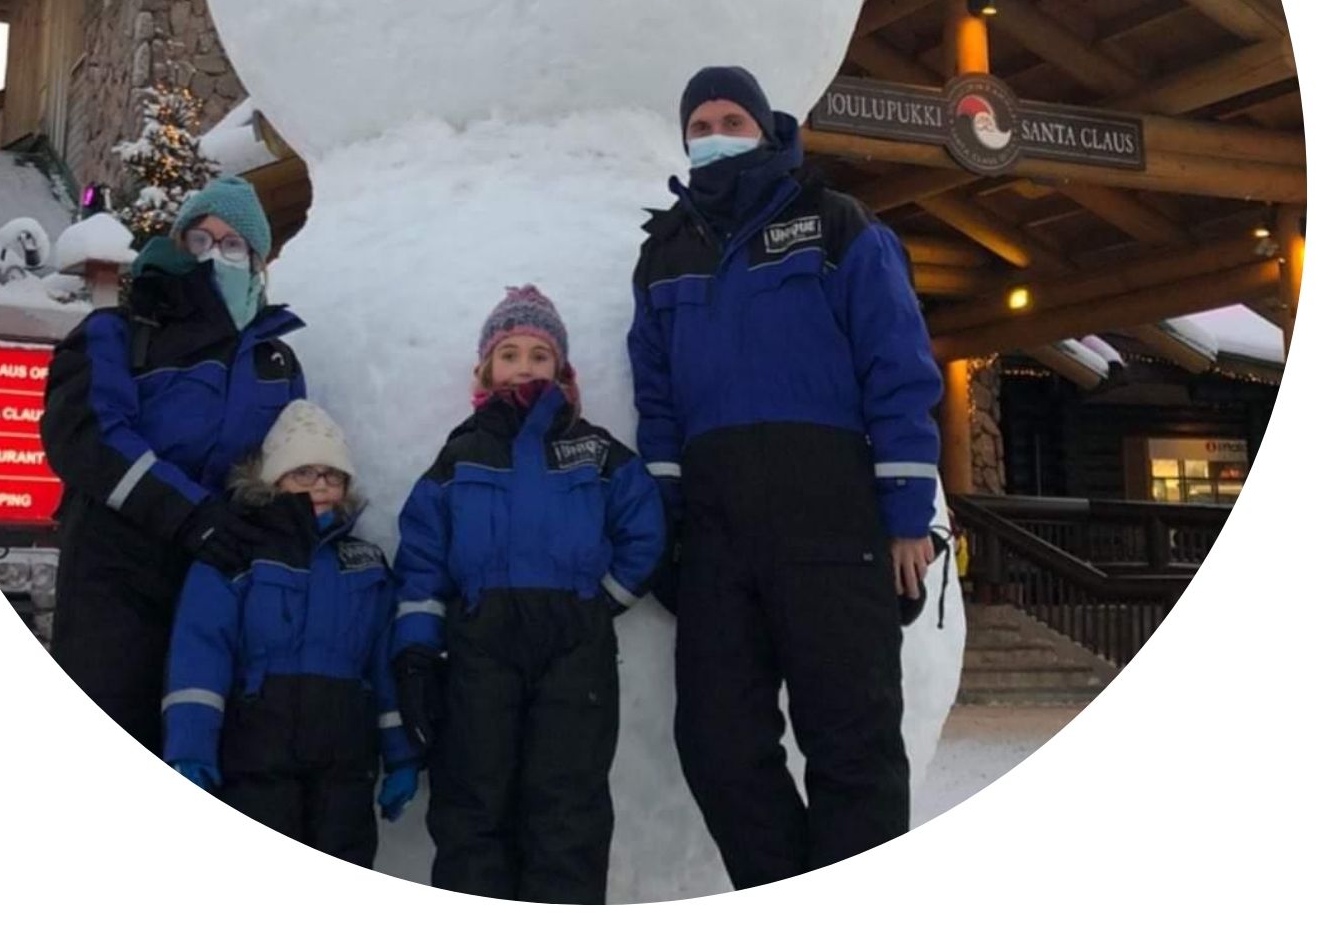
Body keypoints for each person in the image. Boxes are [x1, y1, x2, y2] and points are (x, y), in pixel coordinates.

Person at [626, 66, 943, 889]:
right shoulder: (663, 253)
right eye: (701, 119)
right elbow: (655, 401)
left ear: (766, 129)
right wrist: (666, 519)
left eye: (732, 117)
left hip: (831, 516)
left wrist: (907, 511)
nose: (715, 130)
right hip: (719, 531)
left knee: (854, 741)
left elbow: (900, 371)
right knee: (718, 743)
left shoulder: (839, 227)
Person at [391, 286, 665, 903]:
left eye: (540, 355)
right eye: (509, 353)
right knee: (472, 802)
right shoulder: (460, 455)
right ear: (485, 369)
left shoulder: (594, 449)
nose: (524, 366)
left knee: (567, 806)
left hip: (575, 645)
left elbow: (644, 524)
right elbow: (423, 560)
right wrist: (414, 650)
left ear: (561, 370)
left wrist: (604, 600)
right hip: (479, 644)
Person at [41, 175, 305, 754]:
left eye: (235, 244)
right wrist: (189, 514)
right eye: (201, 239)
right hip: (117, 579)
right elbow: (86, 434)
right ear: (179, 244)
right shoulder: (118, 333)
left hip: (217, 585)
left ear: (258, 264)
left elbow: (289, 459)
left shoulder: (274, 358)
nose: (217, 255)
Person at [162, 399, 420, 866]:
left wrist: (400, 755)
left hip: (344, 763)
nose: (320, 484)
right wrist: (190, 746)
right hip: (257, 757)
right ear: (275, 479)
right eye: (304, 472)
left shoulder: (364, 563)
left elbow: (384, 667)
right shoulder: (234, 555)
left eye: (332, 474)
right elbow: (201, 651)